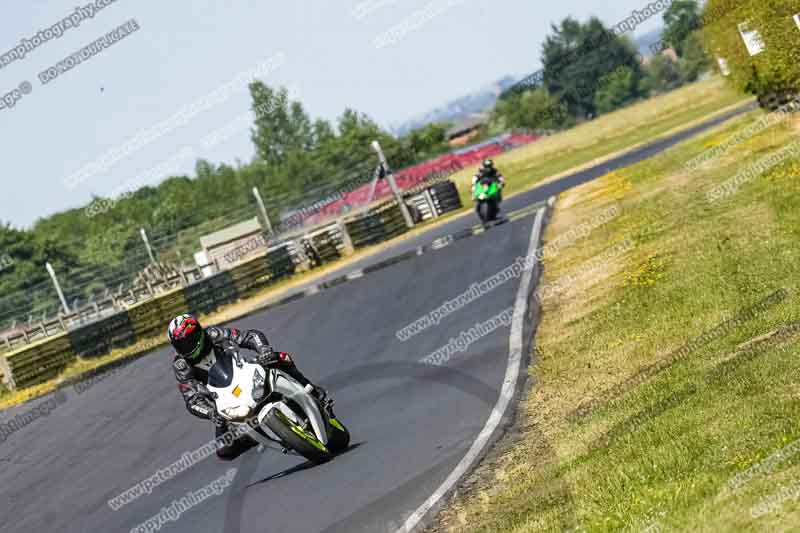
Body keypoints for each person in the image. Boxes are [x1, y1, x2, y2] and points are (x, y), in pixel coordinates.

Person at [168, 314, 331, 459]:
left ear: (198, 334)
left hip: (245, 372)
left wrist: (264, 350)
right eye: (180, 345)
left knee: (280, 358)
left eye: (188, 342)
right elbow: (191, 399)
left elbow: (250, 336)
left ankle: (312, 390)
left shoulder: (213, 334)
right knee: (224, 450)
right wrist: (212, 413)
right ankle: (254, 436)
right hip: (225, 399)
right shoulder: (181, 365)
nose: (186, 348)